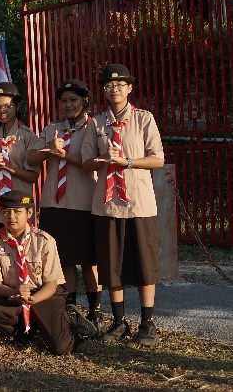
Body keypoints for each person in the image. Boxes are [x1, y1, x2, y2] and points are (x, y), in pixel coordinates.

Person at [81, 64, 165, 347]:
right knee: (111, 265)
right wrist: (104, 161)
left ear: (130, 88)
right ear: (103, 91)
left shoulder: (143, 119)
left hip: (138, 203)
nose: (114, 89)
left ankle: (147, 322)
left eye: (120, 85)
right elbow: (86, 160)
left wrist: (127, 162)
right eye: (108, 85)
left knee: (144, 263)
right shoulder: (96, 123)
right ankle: (118, 322)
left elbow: (157, 159)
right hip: (107, 205)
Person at [0, 190, 99, 355]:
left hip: (44, 293)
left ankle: (70, 321)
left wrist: (33, 299)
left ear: (29, 213)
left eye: (17, 211)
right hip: (14, 293)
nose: (11, 216)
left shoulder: (44, 240)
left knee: (60, 348)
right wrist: (15, 292)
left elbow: (52, 284)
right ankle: (26, 329)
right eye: (6, 211)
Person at [27, 80, 102, 329]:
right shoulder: (53, 129)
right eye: (64, 101)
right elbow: (31, 158)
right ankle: (71, 307)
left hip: (84, 201)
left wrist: (64, 155)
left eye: (74, 100)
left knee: (89, 260)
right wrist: (49, 149)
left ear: (85, 101)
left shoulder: (94, 127)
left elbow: (93, 161)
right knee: (64, 258)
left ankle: (96, 310)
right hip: (54, 202)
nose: (68, 105)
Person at [0, 82, 45, 270]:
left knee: (21, 257)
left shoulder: (28, 136)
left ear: (17, 106)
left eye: (7, 105)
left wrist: (8, 167)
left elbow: (32, 176)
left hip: (18, 206)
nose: (1, 110)